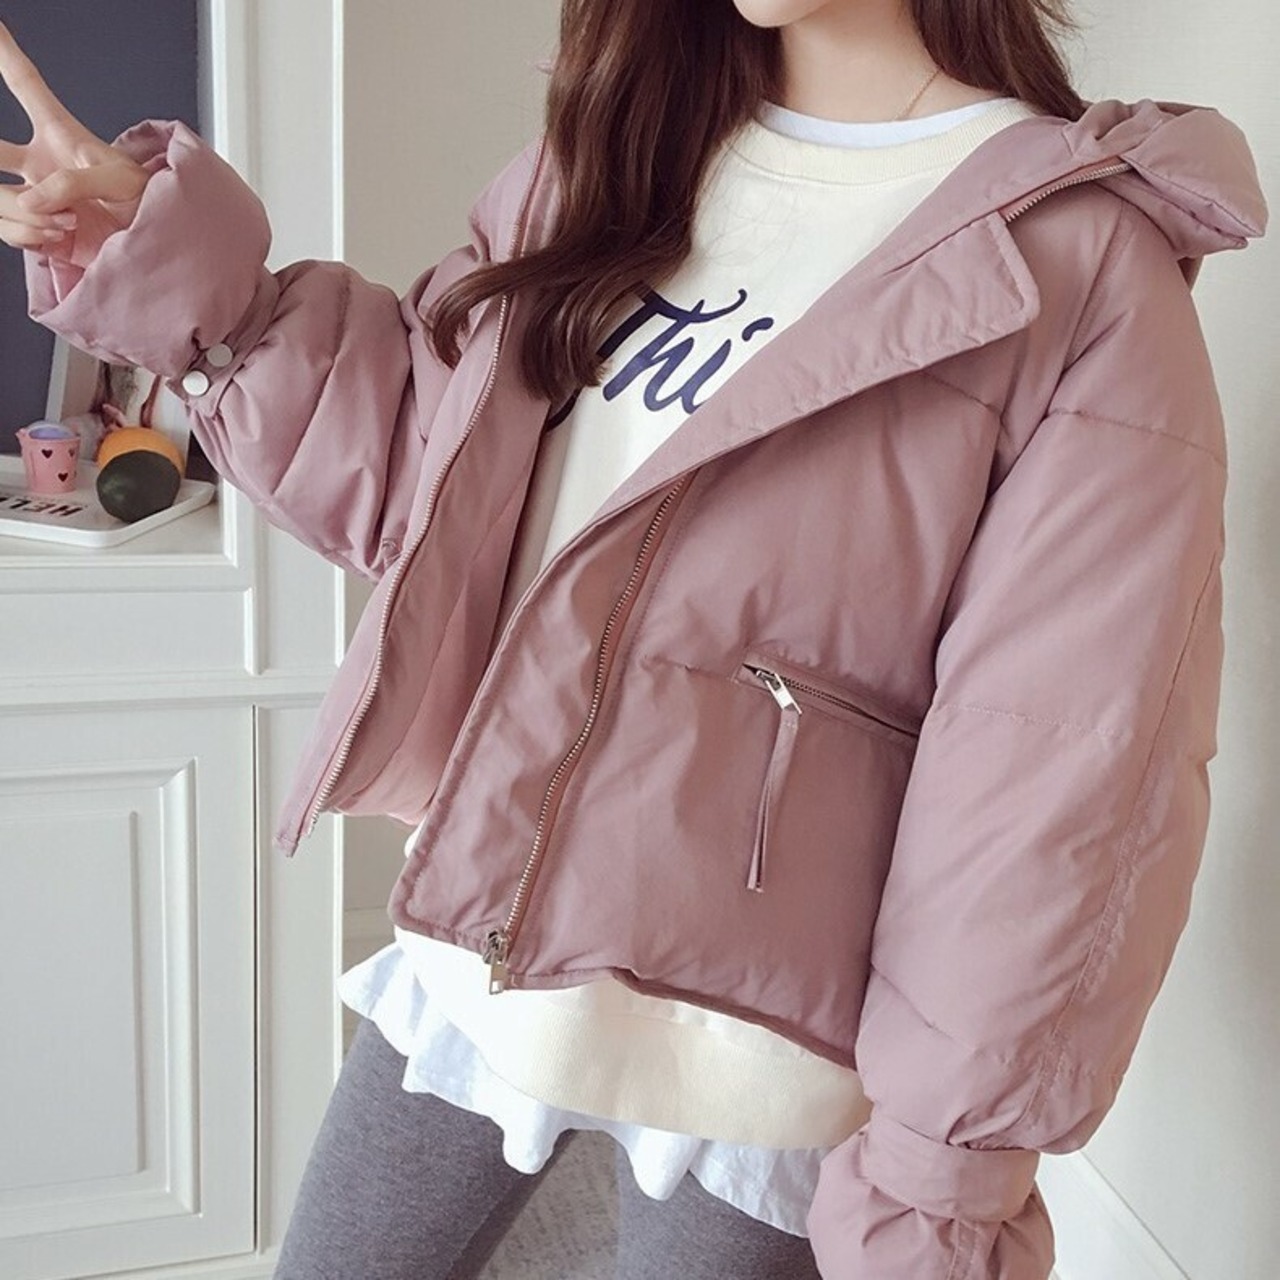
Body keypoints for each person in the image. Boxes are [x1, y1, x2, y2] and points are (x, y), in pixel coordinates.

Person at [0, 1, 1268, 1277]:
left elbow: (1054, 775)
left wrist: (937, 1183)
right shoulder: (609, 159)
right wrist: (181, 277)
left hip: (758, 1051)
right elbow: (422, 483)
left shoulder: (1071, 263)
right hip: (478, 942)